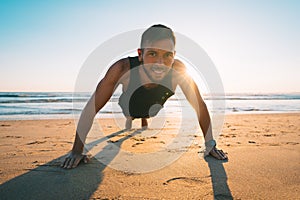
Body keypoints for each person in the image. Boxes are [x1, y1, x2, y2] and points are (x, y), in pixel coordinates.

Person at [62, 24, 227, 169]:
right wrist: (77, 151)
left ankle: (144, 118)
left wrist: (210, 144)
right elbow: (91, 109)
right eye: (153, 54)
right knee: (131, 113)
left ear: (174, 55)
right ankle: (132, 118)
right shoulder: (122, 69)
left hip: (154, 105)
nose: (160, 63)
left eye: (167, 55)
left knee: (148, 113)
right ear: (140, 54)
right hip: (129, 103)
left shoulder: (179, 71)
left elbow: (199, 105)